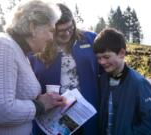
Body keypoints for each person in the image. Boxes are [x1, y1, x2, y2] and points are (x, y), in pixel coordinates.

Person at [0, 1, 66, 135]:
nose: (52, 37)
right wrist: (41, 105)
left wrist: (43, 101)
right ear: (33, 27)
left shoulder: (19, 52)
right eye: (50, 30)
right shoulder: (1, 46)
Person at [28, 3, 100, 135]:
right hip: (52, 118)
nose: (67, 33)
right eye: (61, 31)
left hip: (85, 114)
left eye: (70, 28)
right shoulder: (37, 47)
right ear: (50, 29)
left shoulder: (90, 39)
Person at [93, 28, 151, 135]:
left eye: (106, 57)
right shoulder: (102, 81)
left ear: (122, 53)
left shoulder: (139, 84)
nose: (102, 62)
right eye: (98, 58)